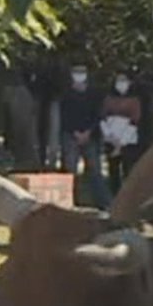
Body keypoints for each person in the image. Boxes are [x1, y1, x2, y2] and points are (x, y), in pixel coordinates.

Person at [58, 64, 110, 208]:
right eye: (76, 72)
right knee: (70, 170)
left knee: (95, 171)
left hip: (91, 136)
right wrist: (75, 132)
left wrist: (88, 132)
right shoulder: (66, 94)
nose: (79, 75)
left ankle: (103, 203)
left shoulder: (94, 94)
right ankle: (70, 202)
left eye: (82, 72)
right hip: (70, 135)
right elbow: (64, 116)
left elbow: (98, 115)